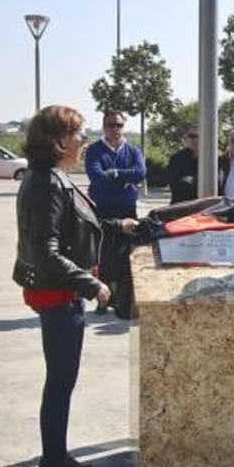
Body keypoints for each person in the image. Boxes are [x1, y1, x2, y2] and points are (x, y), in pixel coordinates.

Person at [12, 106, 138, 467]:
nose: (85, 140)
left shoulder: (55, 178)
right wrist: (92, 285)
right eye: (80, 134)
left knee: (63, 381)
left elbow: (86, 221)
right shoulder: (46, 183)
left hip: (64, 294)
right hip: (57, 295)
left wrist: (120, 225)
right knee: (59, 381)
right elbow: (45, 252)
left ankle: (57, 453)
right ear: (58, 140)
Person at [84, 110, 146, 318]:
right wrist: (124, 178)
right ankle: (103, 300)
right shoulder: (94, 150)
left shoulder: (133, 150)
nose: (115, 129)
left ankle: (122, 300)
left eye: (119, 125)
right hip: (103, 212)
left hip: (128, 211)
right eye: (111, 125)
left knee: (126, 257)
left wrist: (115, 173)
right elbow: (96, 175)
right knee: (103, 258)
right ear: (104, 127)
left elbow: (140, 172)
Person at [166, 125, 199, 204]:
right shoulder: (176, 158)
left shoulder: (213, 159)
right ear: (185, 138)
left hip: (205, 207)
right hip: (181, 205)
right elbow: (175, 185)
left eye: (198, 136)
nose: (195, 139)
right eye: (191, 136)